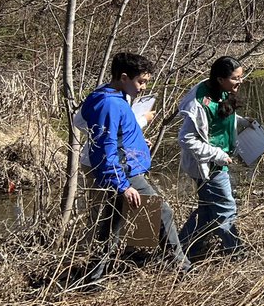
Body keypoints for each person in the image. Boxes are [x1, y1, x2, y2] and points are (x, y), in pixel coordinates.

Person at [78, 51, 190, 282]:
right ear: (124, 77)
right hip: (122, 172)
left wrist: (136, 141)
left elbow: (117, 134)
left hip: (121, 170)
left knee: (110, 228)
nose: (144, 87)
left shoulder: (114, 96)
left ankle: (93, 278)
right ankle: (181, 267)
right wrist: (122, 185)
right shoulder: (109, 104)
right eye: (141, 81)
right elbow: (105, 147)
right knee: (161, 212)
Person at [176, 56, 246, 260]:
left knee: (206, 213)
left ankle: (181, 251)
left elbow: (217, 119)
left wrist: (242, 122)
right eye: (235, 78)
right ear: (219, 79)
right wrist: (218, 154)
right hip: (208, 166)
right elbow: (186, 139)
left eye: (241, 77)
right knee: (226, 209)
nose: (239, 82)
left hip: (219, 163)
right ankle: (236, 253)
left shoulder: (222, 92)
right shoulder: (199, 102)